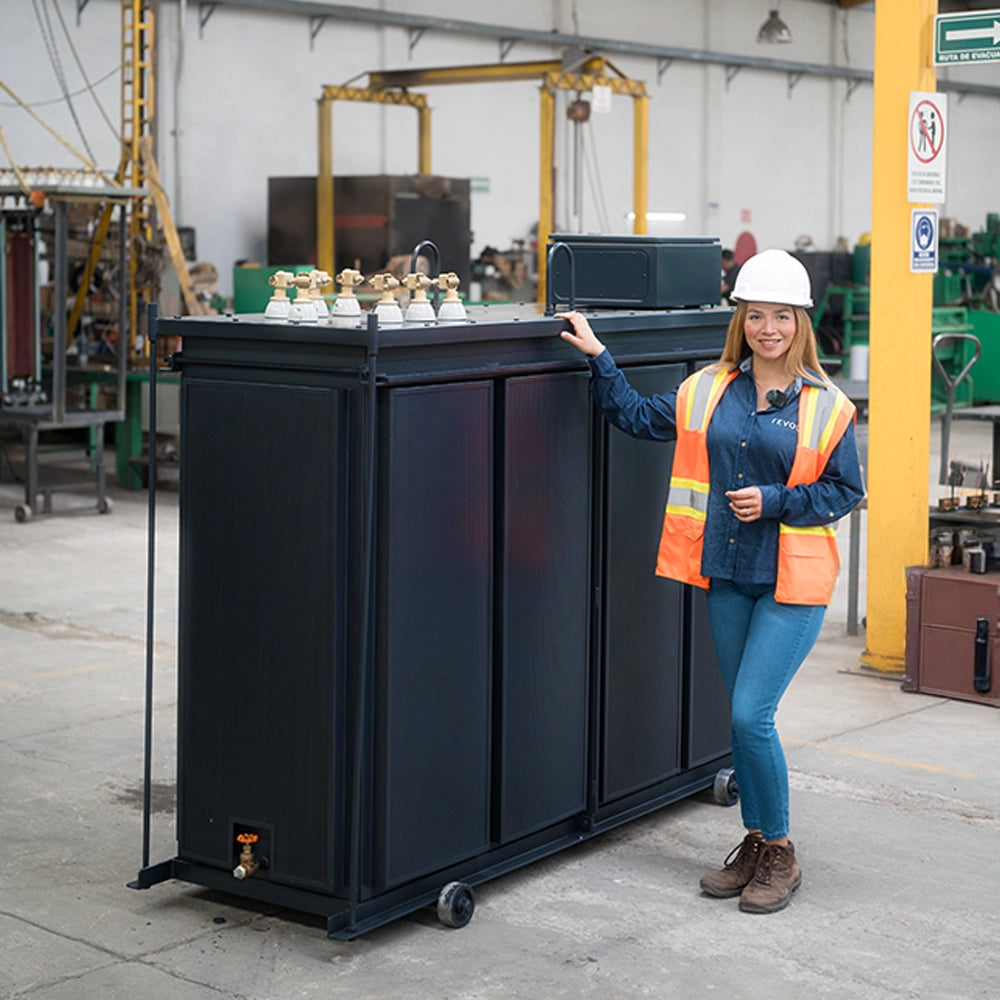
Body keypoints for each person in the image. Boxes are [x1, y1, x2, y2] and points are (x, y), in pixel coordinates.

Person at [558, 248, 865, 914]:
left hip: (790, 583)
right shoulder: (707, 389)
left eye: (781, 316)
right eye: (756, 316)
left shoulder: (827, 406)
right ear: (741, 321)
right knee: (740, 720)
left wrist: (777, 501)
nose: (767, 329)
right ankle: (754, 843)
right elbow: (638, 417)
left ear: (801, 322)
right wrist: (598, 356)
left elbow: (845, 490)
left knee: (753, 715)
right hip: (727, 574)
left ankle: (780, 851)